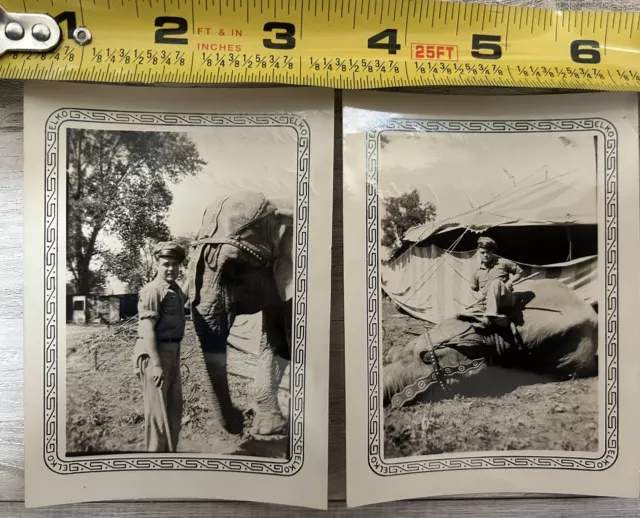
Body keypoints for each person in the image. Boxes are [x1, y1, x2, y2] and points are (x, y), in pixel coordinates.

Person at [132, 241, 187, 452]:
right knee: (157, 414)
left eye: (175, 264)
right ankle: (154, 459)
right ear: (157, 264)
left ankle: (169, 456)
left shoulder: (174, 289)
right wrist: (156, 365)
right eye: (166, 264)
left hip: (172, 352)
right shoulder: (152, 291)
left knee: (172, 411)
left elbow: (187, 297)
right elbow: (147, 330)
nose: (171, 268)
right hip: (155, 354)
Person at [470, 236, 523, 328]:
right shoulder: (476, 272)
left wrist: (510, 282)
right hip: (487, 302)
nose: (485, 255)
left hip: (505, 300)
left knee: (496, 283)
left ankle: (489, 317)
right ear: (478, 252)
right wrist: (478, 297)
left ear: (492, 252)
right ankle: (498, 319)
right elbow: (473, 289)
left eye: (488, 252)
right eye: (482, 252)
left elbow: (520, 272)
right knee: (465, 315)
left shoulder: (503, 263)